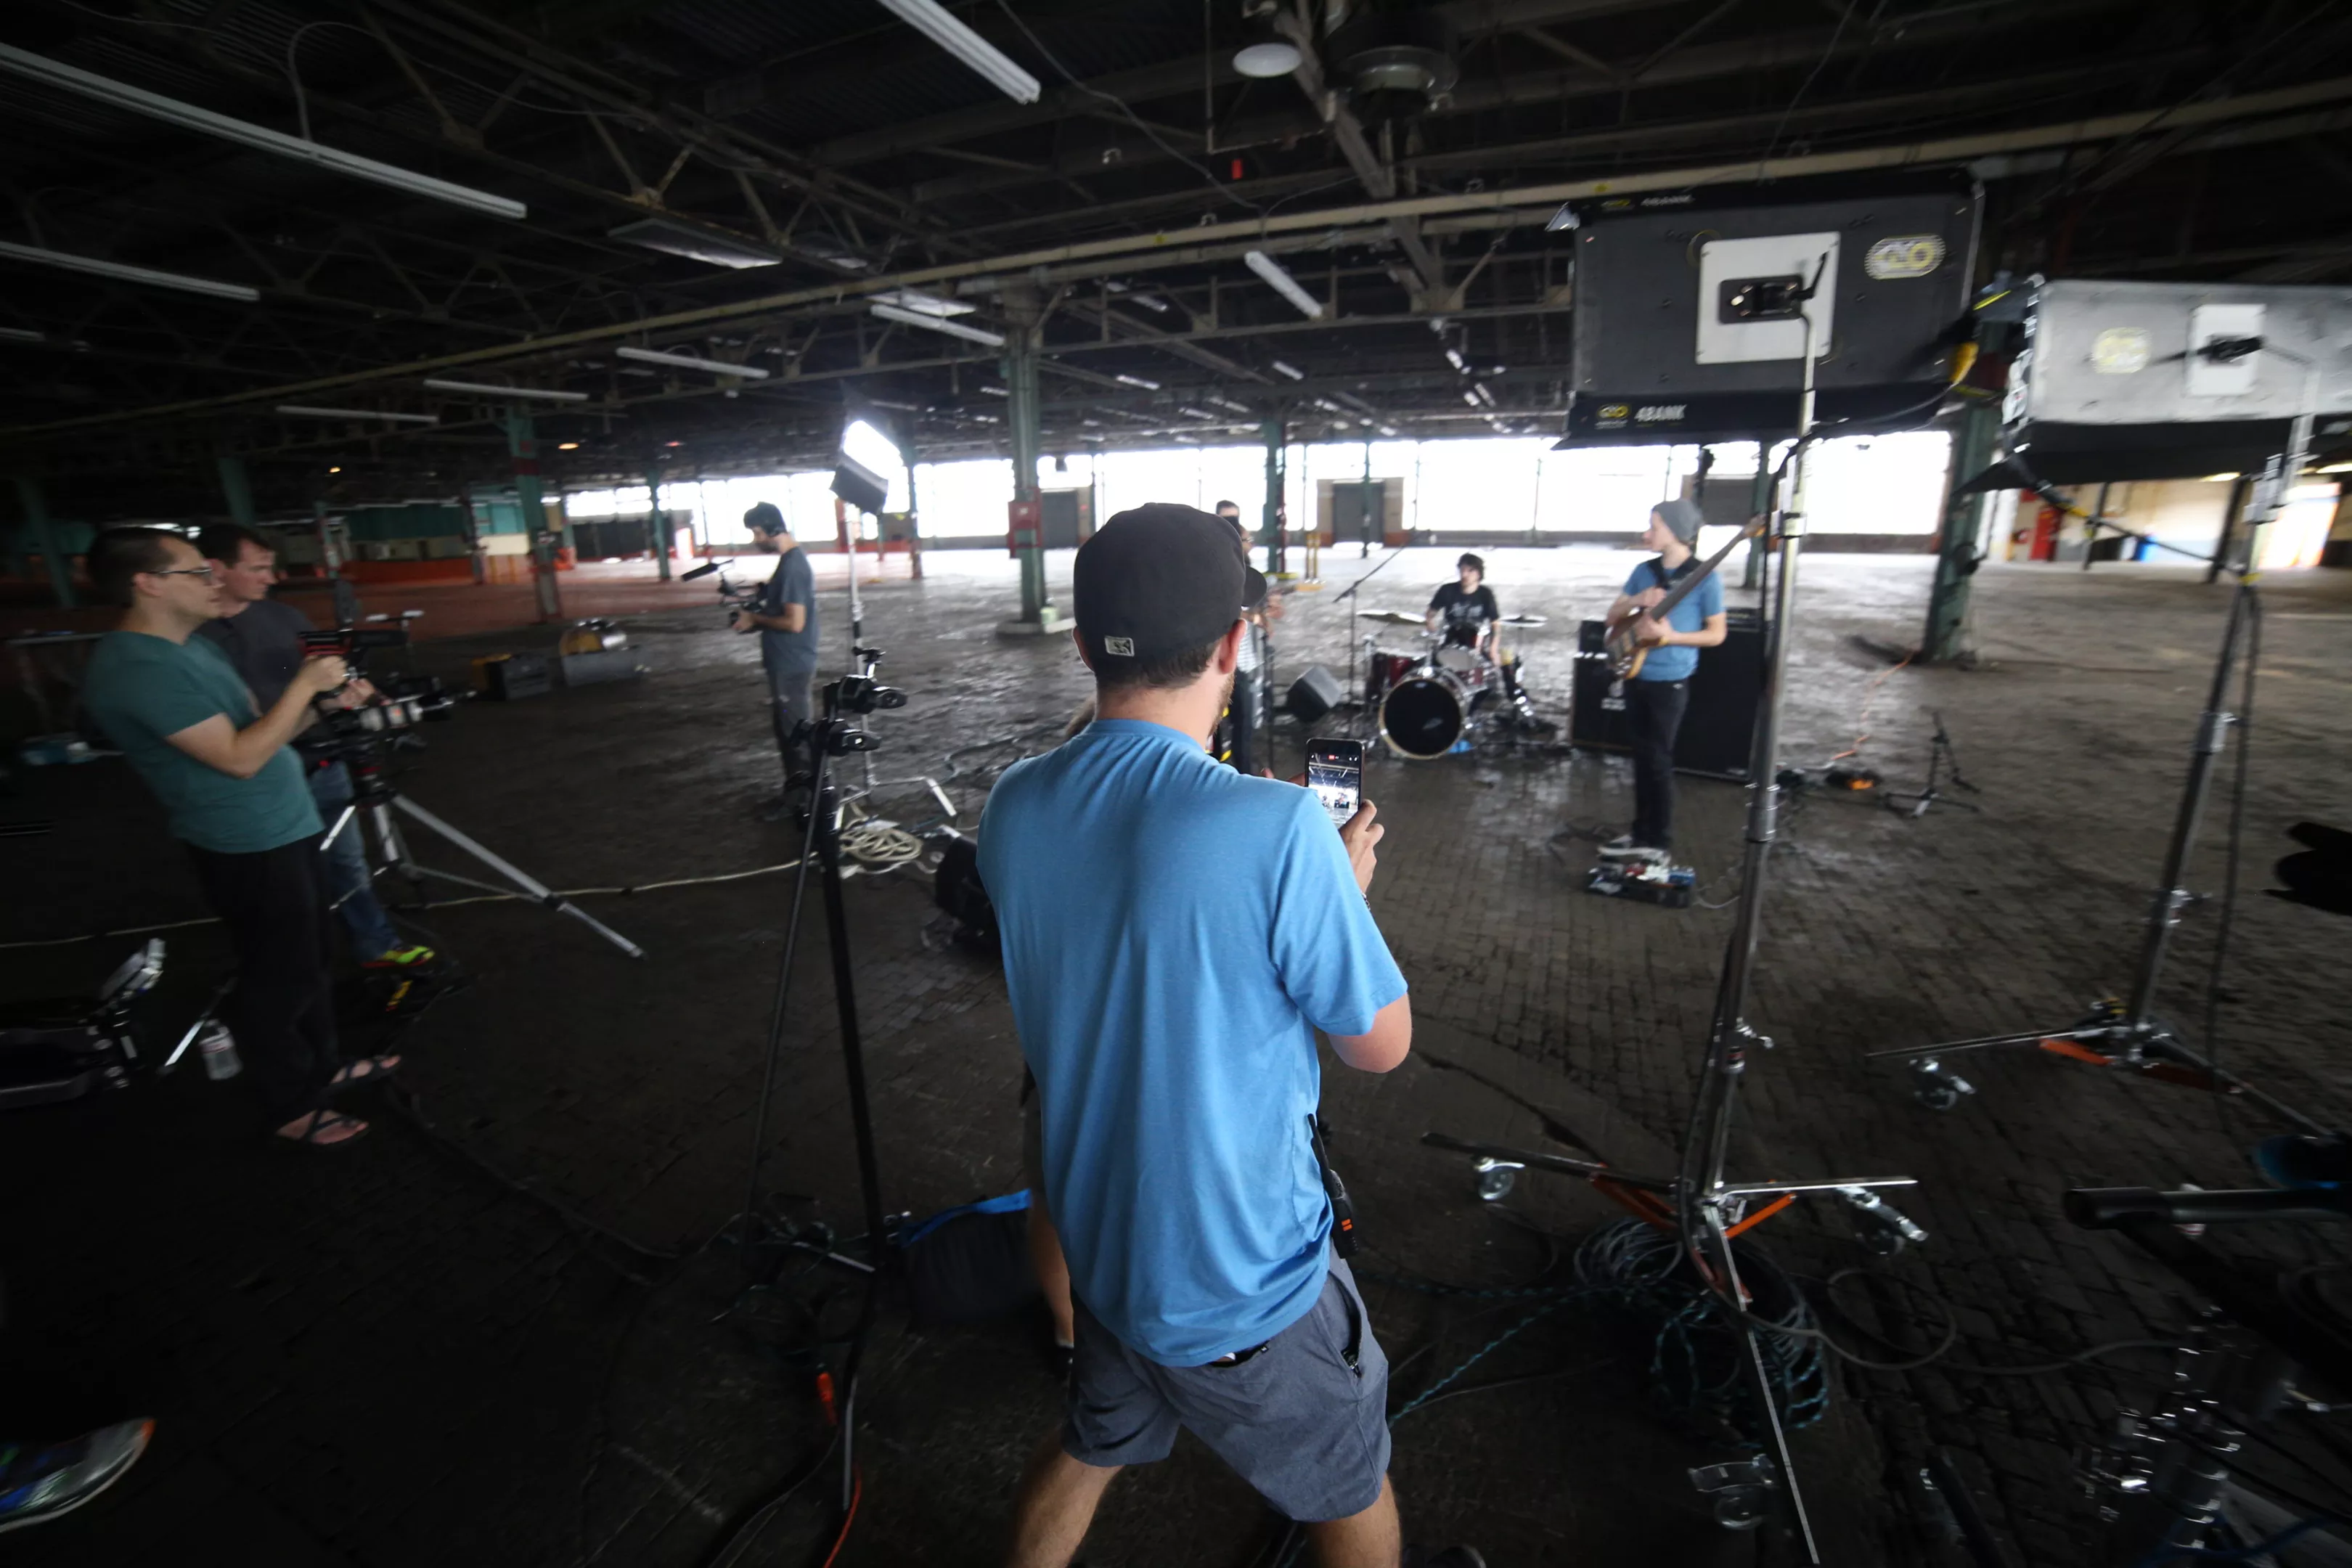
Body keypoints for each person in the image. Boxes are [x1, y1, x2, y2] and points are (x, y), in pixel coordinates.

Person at [981, 504, 1477, 1568]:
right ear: (1235, 643)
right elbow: (1377, 1047)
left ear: (1079, 646)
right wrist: (1337, 895)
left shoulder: (1012, 805)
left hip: (1106, 1255)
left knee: (1091, 1447)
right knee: (1352, 1493)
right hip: (1240, 1280)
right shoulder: (1282, 828)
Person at [80, 528, 395, 1150]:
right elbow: (237, 759)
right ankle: (292, 1102)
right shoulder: (137, 669)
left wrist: (325, 706)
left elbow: (263, 733)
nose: (214, 581)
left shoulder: (192, 648)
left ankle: (323, 1067)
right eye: (198, 573)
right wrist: (304, 685)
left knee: (310, 960)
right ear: (147, 584)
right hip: (244, 841)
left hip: (287, 821)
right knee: (278, 975)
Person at [195, 523, 433, 971]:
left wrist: (350, 690)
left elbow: (325, 677)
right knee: (282, 881)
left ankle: (374, 946)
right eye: (259, 568)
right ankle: (294, 966)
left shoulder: (284, 619)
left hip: (321, 760)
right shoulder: (193, 641)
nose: (272, 577)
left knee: (346, 862)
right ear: (217, 569)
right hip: (255, 776)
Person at [1601, 499, 1727, 861]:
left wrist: (1672, 637)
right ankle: (1642, 831)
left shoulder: (1705, 578)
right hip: (1636, 673)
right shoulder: (1643, 571)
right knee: (1642, 758)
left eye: (1654, 527)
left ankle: (1659, 840)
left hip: (1669, 682)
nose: (1647, 533)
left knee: (1657, 760)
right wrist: (1639, 599)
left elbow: (1717, 635)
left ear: (1675, 532)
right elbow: (1612, 617)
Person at [733, 502, 820, 817]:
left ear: (772, 530)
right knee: (787, 730)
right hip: (786, 662)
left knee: (795, 732)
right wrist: (765, 596)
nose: (756, 540)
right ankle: (797, 794)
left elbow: (794, 623)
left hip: (791, 664)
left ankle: (805, 802)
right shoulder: (789, 563)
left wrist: (755, 621)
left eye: (757, 533)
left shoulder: (794, 566)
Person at [1424, 553, 1499, 659]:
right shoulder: (1447, 590)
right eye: (1462, 570)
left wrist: (1493, 650)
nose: (1464, 575)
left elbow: (1495, 624)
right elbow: (1430, 613)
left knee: (1500, 668)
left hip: (1476, 645)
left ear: (1479, 574)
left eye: (1470, 571)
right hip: (1450, 643)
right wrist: (1429, 622)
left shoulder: (1486, 594)